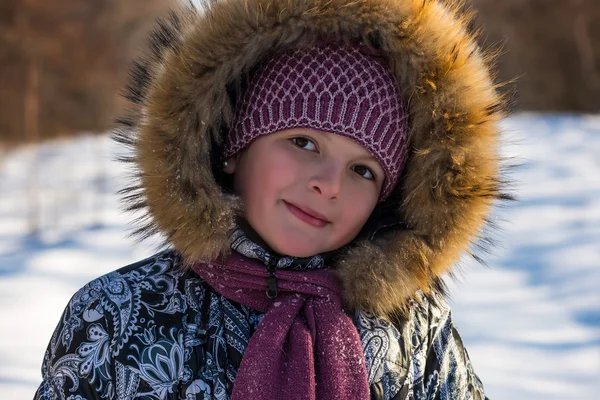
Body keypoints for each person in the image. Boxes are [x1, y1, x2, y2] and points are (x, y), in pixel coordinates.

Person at [35, 0, 508, 399]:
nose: (329, 184)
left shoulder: (414, 329)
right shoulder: (118, 315)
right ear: (233, 151)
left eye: (363, 170)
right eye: (304, 142)